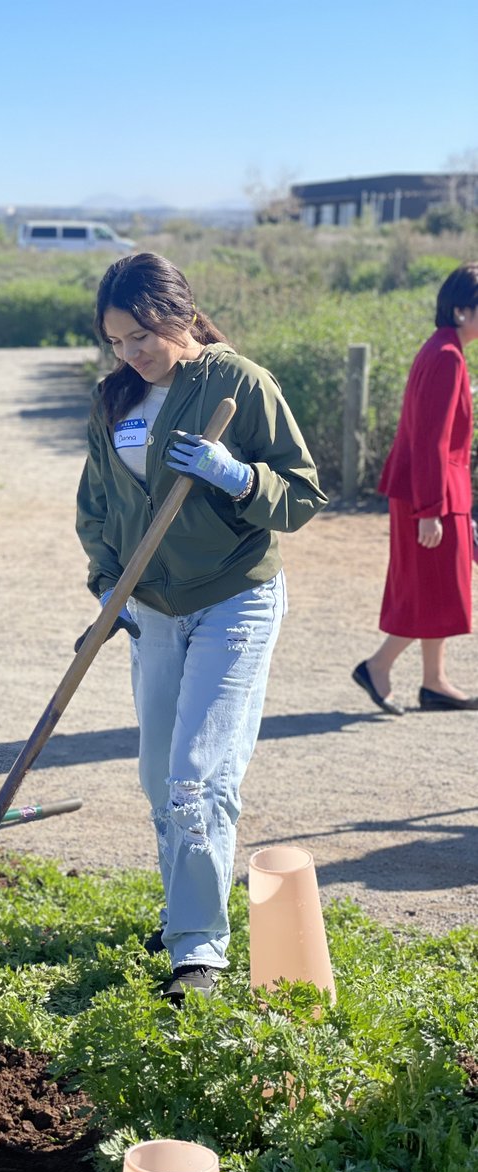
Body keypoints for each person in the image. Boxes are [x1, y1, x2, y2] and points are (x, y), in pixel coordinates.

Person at [75, 252, 327, 1004]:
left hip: (232, 600)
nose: (132, 353)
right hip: (150, 607)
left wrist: (238, 476)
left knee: (196, 778)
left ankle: (198, 952)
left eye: (141, 335)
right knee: (159, 777)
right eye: (117, 340)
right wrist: (106, 587)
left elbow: (304, 496)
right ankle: (186, 910)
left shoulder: (239, 384)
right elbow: (97, 505)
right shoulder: (113, 398)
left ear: (179, 313)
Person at [353, 263, 478, 717]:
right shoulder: (446, 355)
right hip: (432, 496)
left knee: (438, 588)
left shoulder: (445, 349)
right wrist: (430, 509)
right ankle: (378, 665)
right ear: (463, 311)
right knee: (432, 590)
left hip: (437, 493)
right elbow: (430, 439)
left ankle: (435, 682)